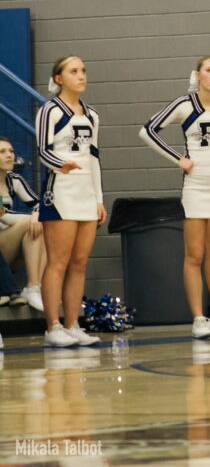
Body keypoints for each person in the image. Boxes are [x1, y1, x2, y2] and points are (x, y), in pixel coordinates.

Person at [139, 56, 210, 340]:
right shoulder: (184, 104)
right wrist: (179, 159)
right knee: (195, 254)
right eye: (209, 70)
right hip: (196, 186)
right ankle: (199, 318)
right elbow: (147, 130)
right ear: (198, 75)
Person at [36, 56, 107, 347]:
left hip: (86, 195)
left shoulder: (92, 115)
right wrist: (62, 164)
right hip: (61, 191)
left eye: (83, 71)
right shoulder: (49, 110)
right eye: (73, 71)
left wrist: (99, 199)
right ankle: (53, 327)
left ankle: (73, 323)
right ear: (59, 78)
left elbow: (94, 159)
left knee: (79, 263)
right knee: (58, 261)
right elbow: (41, 150)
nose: (81, 76)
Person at [0, 136, 46, 310]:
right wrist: (33, 217)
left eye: (11, 151)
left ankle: (35, 286)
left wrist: (36, 214)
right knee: (32, 222)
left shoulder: (14, 179)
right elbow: (2, 216)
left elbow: (39, 204)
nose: (9, 155)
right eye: (2, 152)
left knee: (45, 225)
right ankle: (33, 287)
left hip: (9, 249)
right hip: (1, 254)